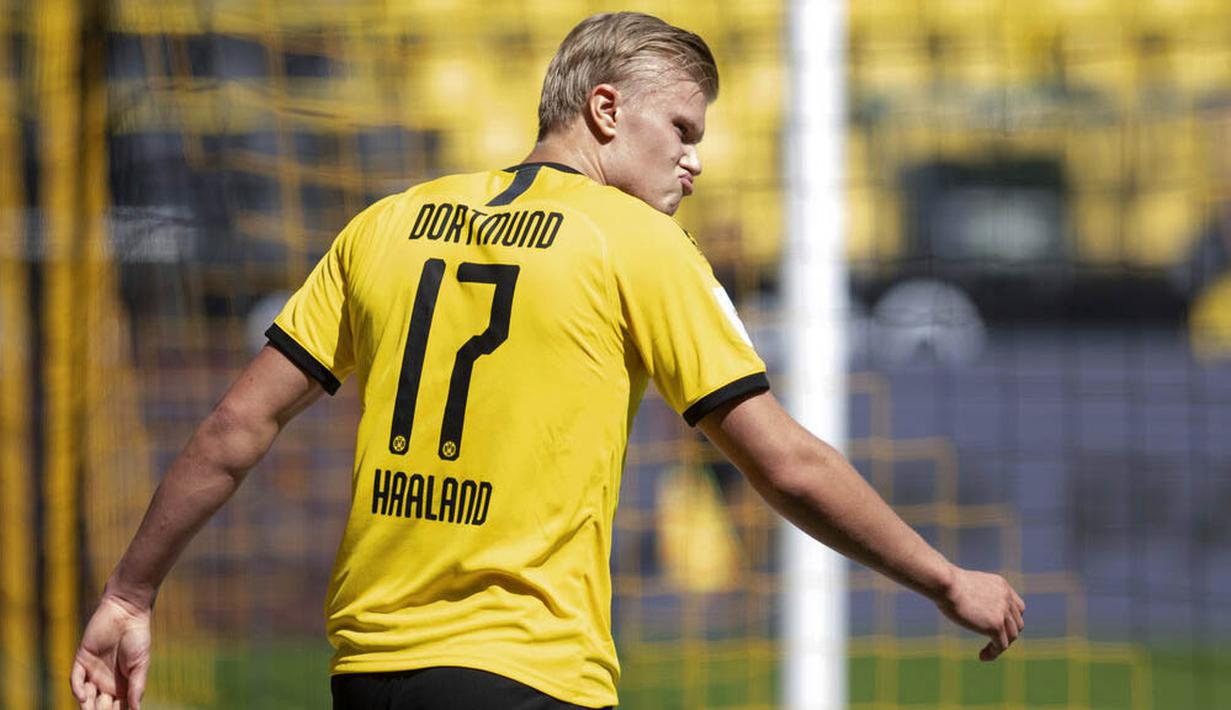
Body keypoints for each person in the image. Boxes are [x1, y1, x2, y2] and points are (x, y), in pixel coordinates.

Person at [71, 11, 1024, 710]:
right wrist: (945, 579)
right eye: (682, 130)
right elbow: (784, 463)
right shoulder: (637, 244)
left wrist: (128, 592)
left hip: (368, 673)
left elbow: (237, 427)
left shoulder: (386, 222)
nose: (694, 161)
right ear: (605, 109)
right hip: (527, 671)